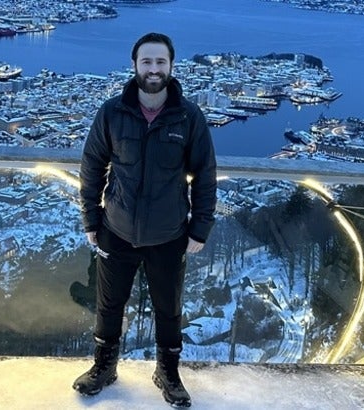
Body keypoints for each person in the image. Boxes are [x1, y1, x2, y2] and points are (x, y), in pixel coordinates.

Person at [73, 32, 217, 408]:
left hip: (169, 233)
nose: (154, 70)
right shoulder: (111, 113)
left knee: (168, 309)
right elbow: (92, 168)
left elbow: (205, 173)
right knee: (109, 305)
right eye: (147, 62)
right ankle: (104, 367)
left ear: (171, 66)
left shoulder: (188, 116)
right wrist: (92, 220)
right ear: (135, 65)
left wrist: (200, 227)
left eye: (160, 62)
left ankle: (168, 372)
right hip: (116, 230)